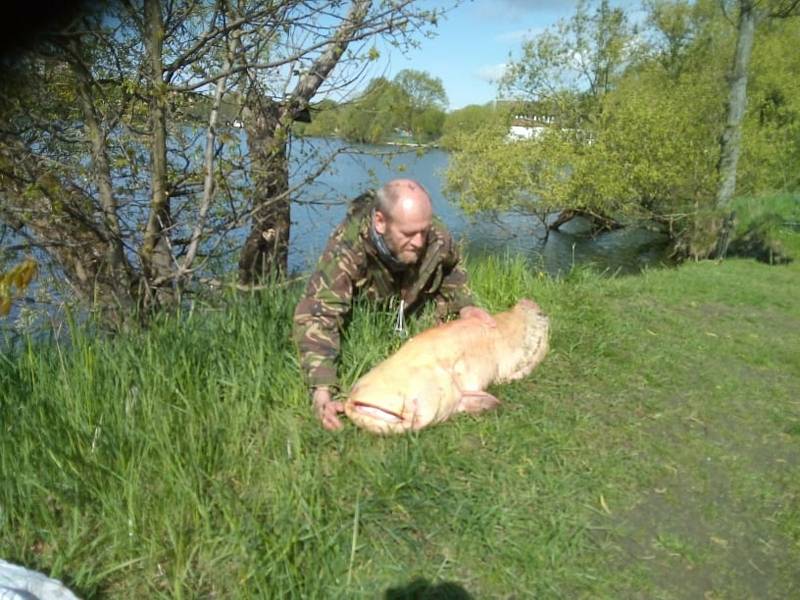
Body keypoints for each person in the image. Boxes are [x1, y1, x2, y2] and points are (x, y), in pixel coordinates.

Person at [293, 178, 495, 430]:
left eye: (423, 230)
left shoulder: (435, 235)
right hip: (370, 308)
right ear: (380, 222)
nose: (420, 241)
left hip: (414, 308)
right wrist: (322, 390)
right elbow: (319, 314)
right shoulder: (348, 247)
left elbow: (452, 268)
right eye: (409, 234)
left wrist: (465, 305)